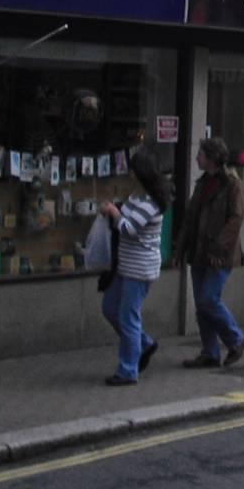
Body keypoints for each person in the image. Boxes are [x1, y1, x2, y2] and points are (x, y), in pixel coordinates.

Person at [98, 149, 170, 386]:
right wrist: (114, 211)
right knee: (110, 307)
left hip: (140, 268)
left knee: (128, 317)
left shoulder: (151, 202)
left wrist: (114, 212)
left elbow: (129, 228)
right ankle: (144, 343)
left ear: (139, 173)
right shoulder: (135, 196)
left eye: (132, 169)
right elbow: (124, 221)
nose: (129, 173)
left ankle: (128, 370)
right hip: (125, 264)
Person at [176, 134, 244, 369]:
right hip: (199, 251)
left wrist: (219, 247)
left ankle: (235, 339)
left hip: (219, 254)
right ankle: (210, 352)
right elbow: (190, 218)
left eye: (200, 154)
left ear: (212, 158)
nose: (197, 158)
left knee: (208, 299)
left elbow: (236, 218)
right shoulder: (202, 183)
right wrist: (179, 249)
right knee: (201, 304)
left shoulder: (231, 184)